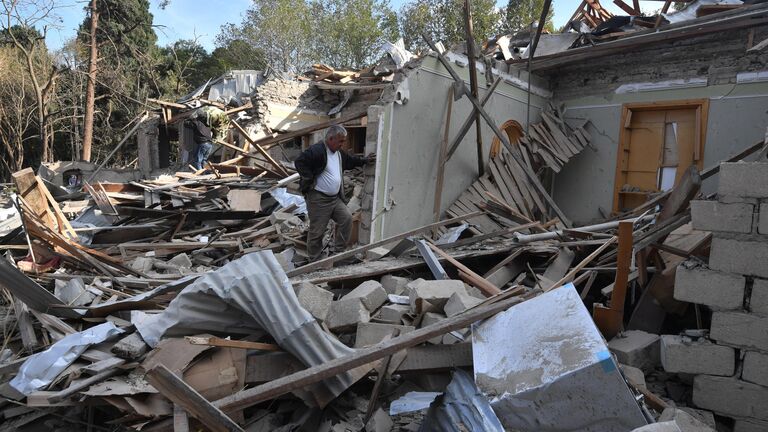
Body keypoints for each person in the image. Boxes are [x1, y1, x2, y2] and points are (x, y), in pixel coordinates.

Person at [295, 125, 374, 262]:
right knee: (317, 230)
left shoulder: (338, 153)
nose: (342, 144)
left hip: (334, 199)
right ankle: (315, 260)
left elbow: (350, 161)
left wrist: (364, 160)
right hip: (319, 199)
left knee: (346, 219)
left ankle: (339, 254)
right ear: (331, 139)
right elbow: (300, 162)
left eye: (343, 141)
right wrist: (309, 179)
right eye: (340, 141)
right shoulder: (318, 150)